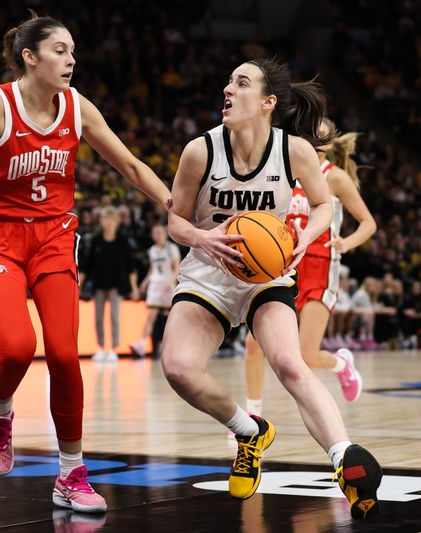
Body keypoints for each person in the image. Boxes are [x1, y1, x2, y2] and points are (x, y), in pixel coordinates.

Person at [0, 13, 170, 513]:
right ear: (30, 57)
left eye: (73, 50)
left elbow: (128, 165)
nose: (71, 60)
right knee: (17, 346)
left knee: (64, 354)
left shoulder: (77, 107)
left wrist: (175, 206)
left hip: (55, 239)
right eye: (60, 50)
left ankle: (70, 474)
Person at [162, 58, 381, 519]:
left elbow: (323, 205)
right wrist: (202, 237)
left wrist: (306, 235)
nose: (227, 88)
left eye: (240, 83)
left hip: (267, 274)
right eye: (227, 81)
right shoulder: (199, 151)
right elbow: (176, 220)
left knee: (289, 361)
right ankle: (249, 430)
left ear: (267, 102)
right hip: (210, 271)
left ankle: (345, 457)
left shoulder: (295, 151)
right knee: (178, 369)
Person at [243, 118, 375, 420]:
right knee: (254, 345)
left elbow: (369, 223)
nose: (314, 150)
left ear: (329, 148)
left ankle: (342, 365)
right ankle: (252, 417)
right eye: (310, 142)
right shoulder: (281, 173)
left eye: (320, 145)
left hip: (320, 266)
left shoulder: (335, 178)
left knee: (305, 355)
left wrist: (347, 243)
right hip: (281, 267)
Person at [79, 205, 139, 363]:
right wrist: (79, 284)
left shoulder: (122, 240)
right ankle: (100, 348)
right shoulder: (96, 240)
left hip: (116, 285)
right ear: (101, 221)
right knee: (98, 317)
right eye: (105, 219)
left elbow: (130, 266)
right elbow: (86, 265)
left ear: (117, 221)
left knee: (114, 317)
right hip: (99, 285)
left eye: (112, 219)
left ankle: (113, 349)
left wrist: (134, 288)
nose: (109, 222)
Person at [130, 223, 181, 357]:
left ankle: (175, 346)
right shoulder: (152, 250)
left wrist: (172, 281)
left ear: (165, 234)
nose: (157, 236)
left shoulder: (172, 248)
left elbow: (177, 267)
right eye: (155, 233)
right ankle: (141, 343)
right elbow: (152, 270)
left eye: (160, 233)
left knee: (172, 317)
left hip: (168, 284)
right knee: (150, 316)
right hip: (155, 285)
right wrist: (145, 282)